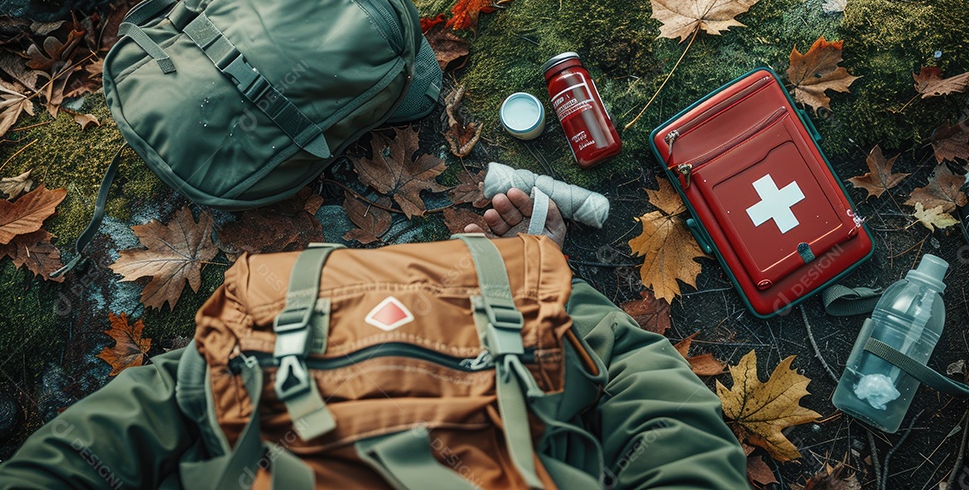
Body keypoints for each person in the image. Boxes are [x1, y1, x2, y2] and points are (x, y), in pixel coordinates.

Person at [0, 188, 750, 489]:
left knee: (209, 376)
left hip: (283, 362)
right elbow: (655, 398)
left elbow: (136, 416)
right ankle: (502, 278)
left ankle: (494, 279)